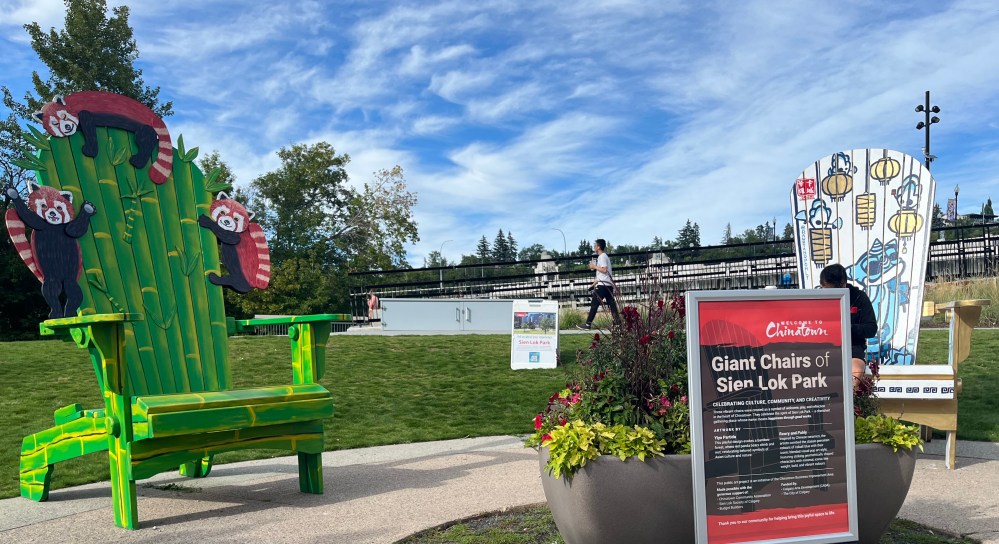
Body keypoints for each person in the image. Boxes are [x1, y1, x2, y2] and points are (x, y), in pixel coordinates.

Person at [819, 264, 878, 381]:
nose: (827, 294)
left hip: (852, 346)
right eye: (824, 289)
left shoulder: (859, 298)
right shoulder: (816, 299)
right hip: (822, 346)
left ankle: (851, 399)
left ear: (843, 284)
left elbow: (871, 328)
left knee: (856, 371)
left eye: (831, 291)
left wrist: (846, 328)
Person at [577, 239, 619, 330]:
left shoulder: (602, 257)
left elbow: (604, 270)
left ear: (599, 247)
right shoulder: (604, 257)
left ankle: (588, 324)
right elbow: (601, 275)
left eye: (595, 245)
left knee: (594, 304)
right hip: (608, 285)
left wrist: (594, 266)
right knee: (612, 305)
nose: (594, 247)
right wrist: (593, 285)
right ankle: (618, 324)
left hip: (603, 286)